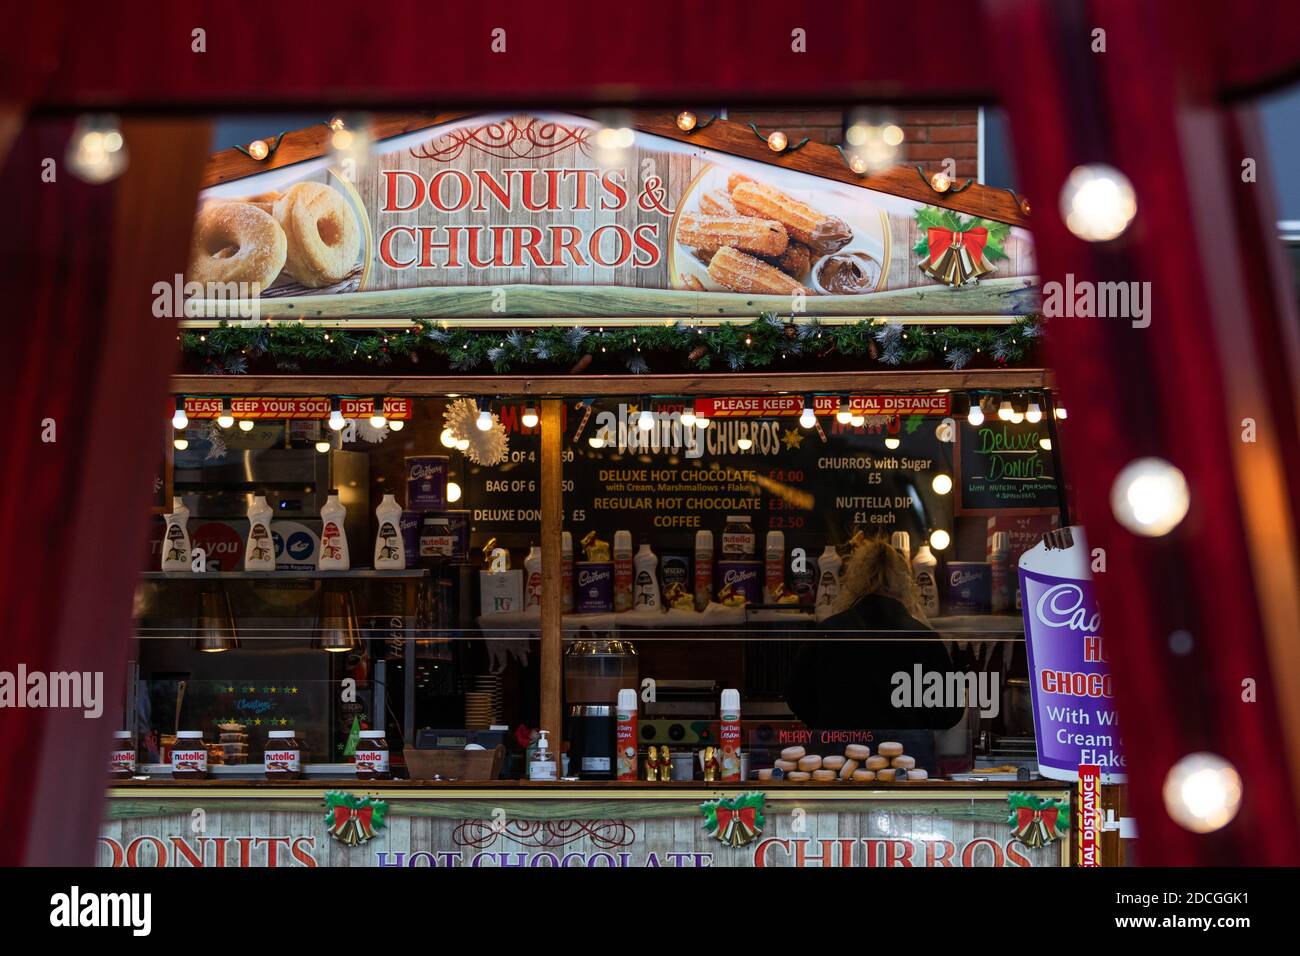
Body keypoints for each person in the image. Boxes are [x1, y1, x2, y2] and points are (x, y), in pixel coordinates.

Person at [785, 537, 963, 730]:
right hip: (906, 755)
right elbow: (949, 713)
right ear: (904, 582)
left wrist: (830, 725)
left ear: (853, 579)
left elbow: (796, 696)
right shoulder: (923, 638)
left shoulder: (828, 631)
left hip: (837, 754)